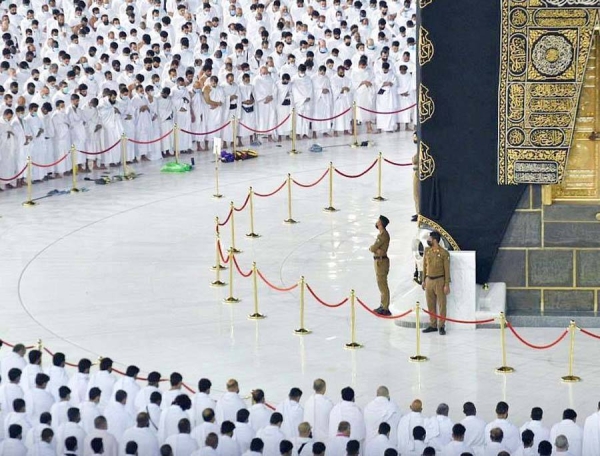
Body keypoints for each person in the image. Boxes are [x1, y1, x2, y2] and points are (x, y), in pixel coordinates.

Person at [421, 231, 451, 335]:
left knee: (442, 304)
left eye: (429, 239)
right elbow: (424, 266)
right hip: (429, 280)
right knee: (430, 304)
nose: (428, 240)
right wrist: (423, 280)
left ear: (434, 240)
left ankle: (441, 326)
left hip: (440, 281)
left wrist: (446, 284)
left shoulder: (444, 253)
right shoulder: (427, 251)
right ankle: (433, 324)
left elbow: (447, 270)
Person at [369, 215, 391, 316]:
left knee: (383, 285)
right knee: (380, 284)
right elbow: (375, 249)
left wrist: (374, 249)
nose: (376, 222)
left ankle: (385, 307)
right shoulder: (381, 234)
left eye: (378, 221)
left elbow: (373, 248)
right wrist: (376, 249)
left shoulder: (383, 235)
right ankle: (383, 305)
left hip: (381, 262)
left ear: (380, 224)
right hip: (379, 262)